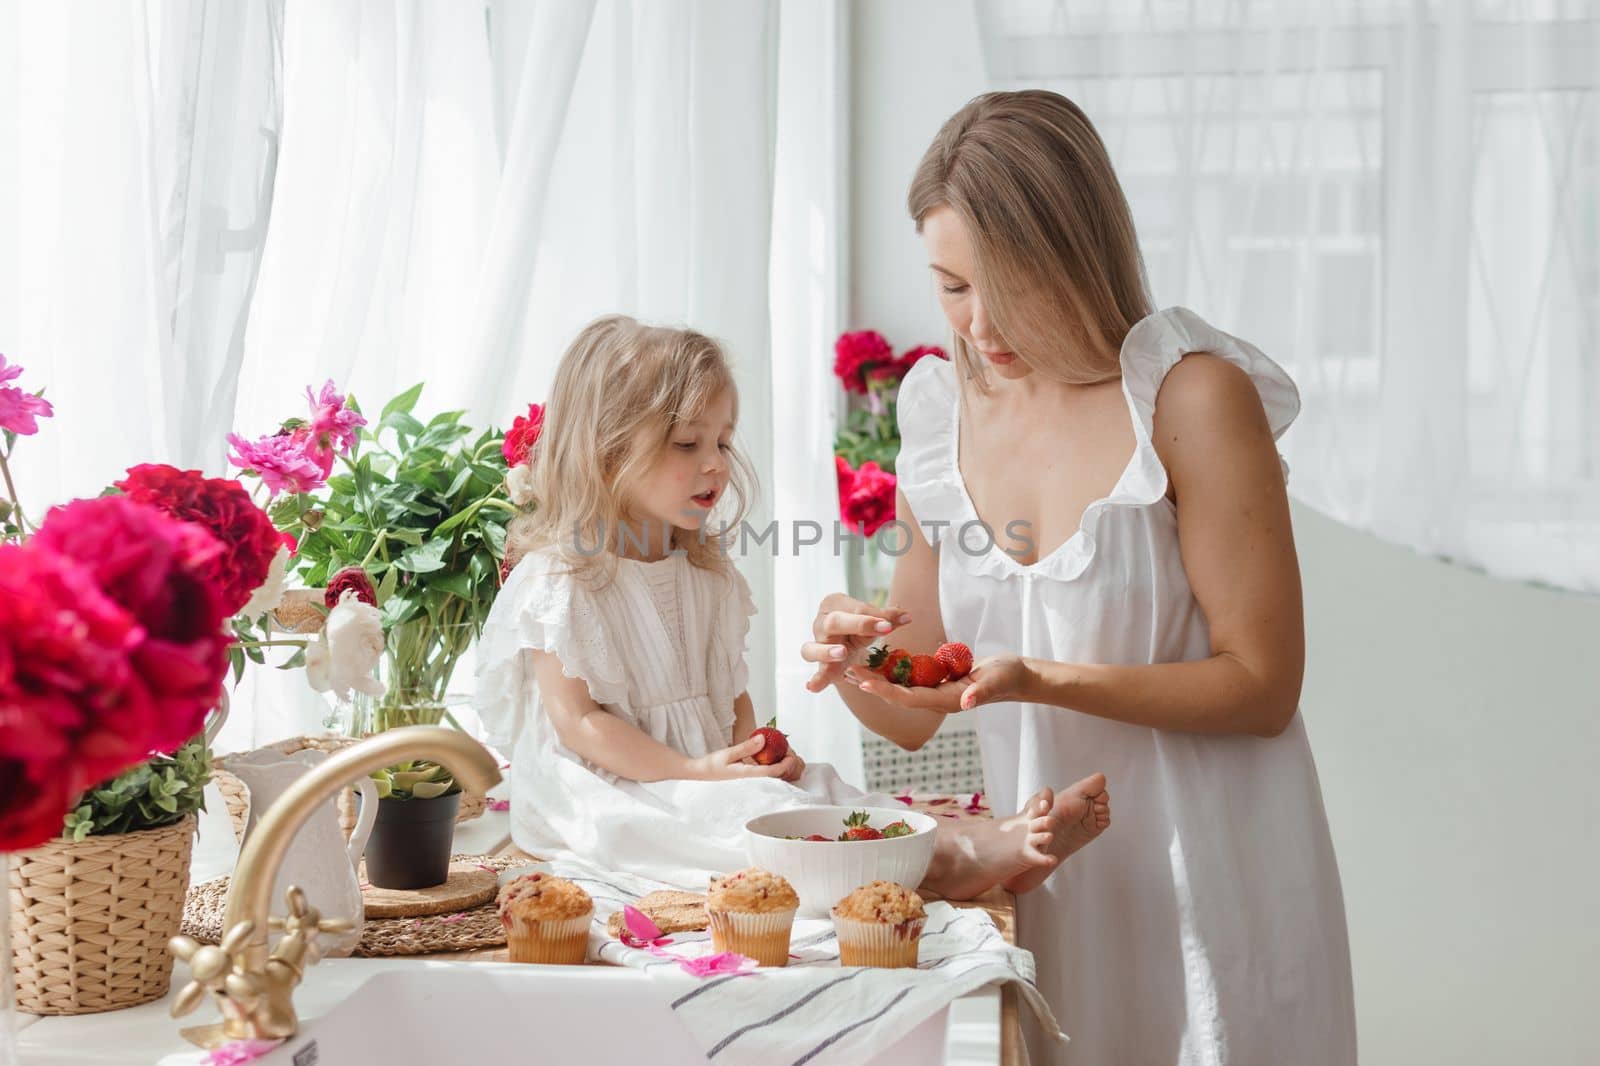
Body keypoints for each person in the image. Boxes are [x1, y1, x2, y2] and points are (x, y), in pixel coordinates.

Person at [800, 91, 1356, 1065]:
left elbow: (1263, 684)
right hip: (1053, 888)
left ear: (1074, 250)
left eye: (1004, 286)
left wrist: (1039, 677)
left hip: (1214, 885)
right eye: (950, 288)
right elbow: (917, 700)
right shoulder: (940, 414)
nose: (978, 325)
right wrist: (856, 657)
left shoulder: (1187, 395)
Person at [473, 313, 1109, 893]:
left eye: (722, 443)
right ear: (609, 455)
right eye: (687, 445)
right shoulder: (561, 580)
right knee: (742, 826)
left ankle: (956, 847)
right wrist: (694, 772)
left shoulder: (704, 574)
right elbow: (582, 726)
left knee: (818, 790)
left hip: (703, 772)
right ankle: (955, 862)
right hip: (612, 788)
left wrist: (757, 752)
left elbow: (726, 697)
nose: (715, 466)